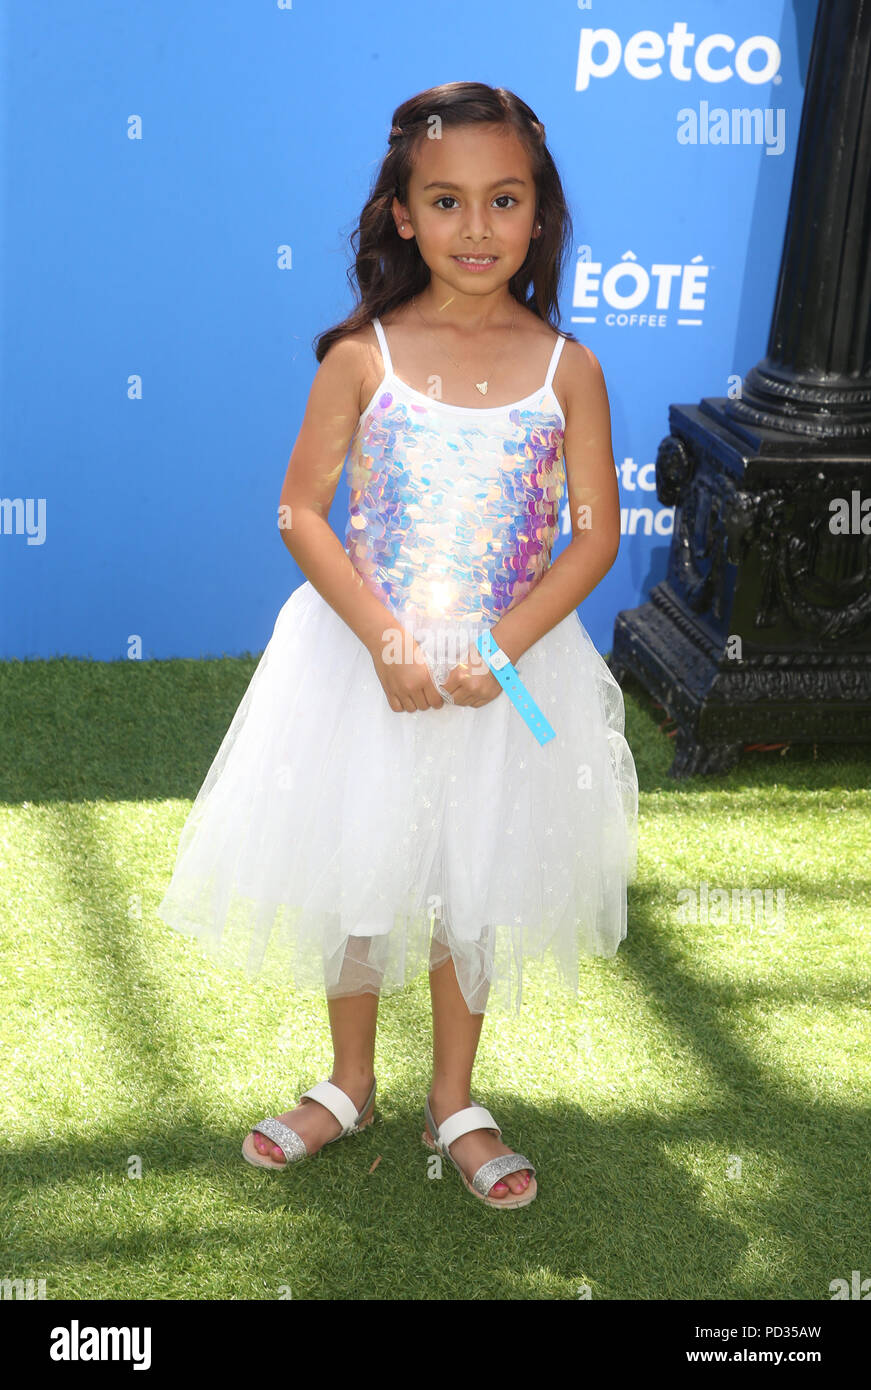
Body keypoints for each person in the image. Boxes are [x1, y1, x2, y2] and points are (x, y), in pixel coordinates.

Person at [156, 81, 638, 1209]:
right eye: (448, 201)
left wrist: (504, 644)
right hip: (364, 670)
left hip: (505, 676)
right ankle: (348, 1079)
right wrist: (381, 638)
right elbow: (302, 511)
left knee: (473, 877)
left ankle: (454, 1095)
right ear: (402, 215)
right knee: (362, 869)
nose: (478, 229)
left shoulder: (569, 370)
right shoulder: (360, 356)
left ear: (538, 214)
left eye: (503, 200)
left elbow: (594, 534)